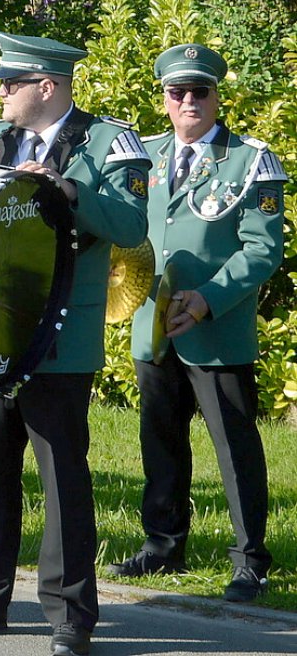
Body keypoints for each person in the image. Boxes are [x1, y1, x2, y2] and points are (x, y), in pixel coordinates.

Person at [0, 31, 150, 656]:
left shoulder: (111, 142)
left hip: (59, 336)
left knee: (62, 478)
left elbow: (132, 225)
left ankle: (71, 613)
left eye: (10, 84)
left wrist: (67, 189)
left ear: (45, 87)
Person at [110, 44, 285, 603]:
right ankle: (163, 546)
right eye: (177, 92)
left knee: (234, 447)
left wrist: (209, 298)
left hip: (215, 328)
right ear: (164, 98)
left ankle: (250, 559)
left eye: (199, 91)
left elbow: (263, 250)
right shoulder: (144, 157)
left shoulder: (249, 160)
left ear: (216, 96)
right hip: (152, 327)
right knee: (159, 444)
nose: (189, 101)